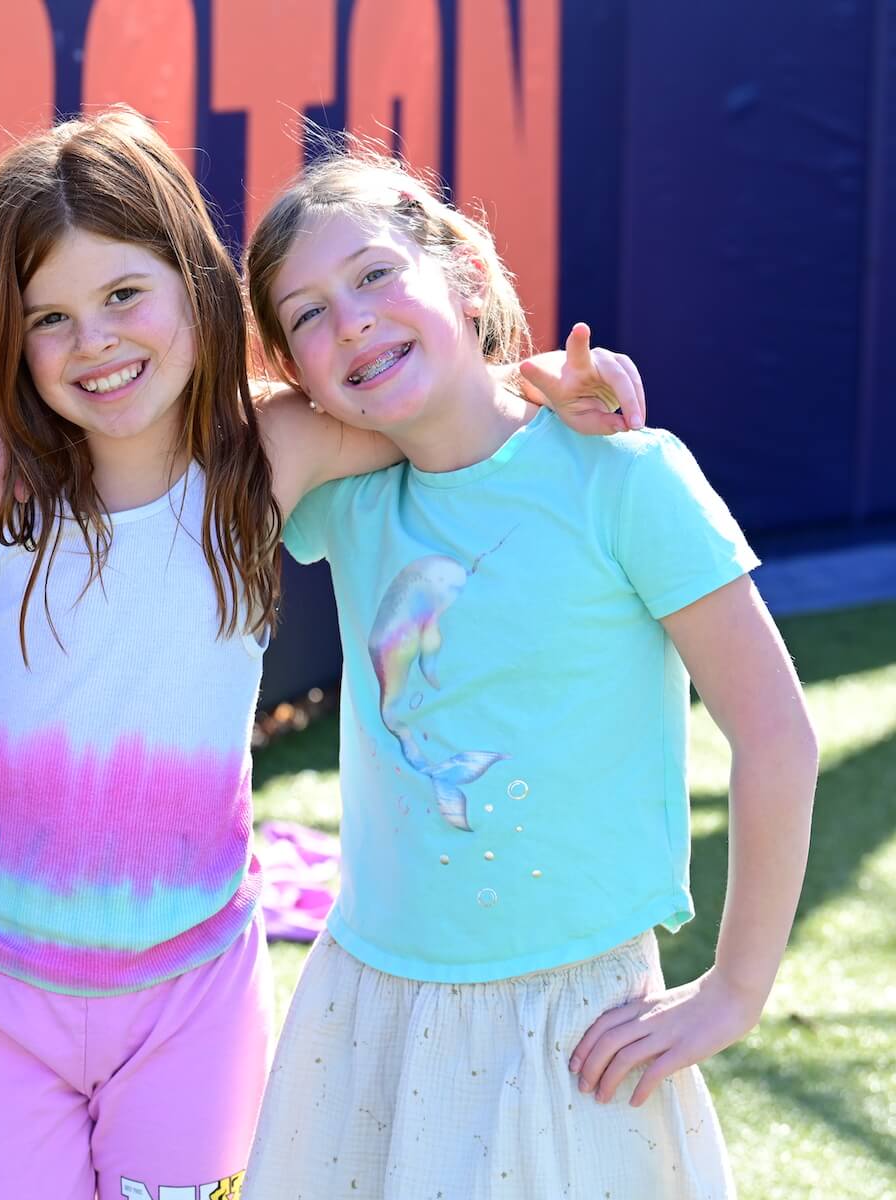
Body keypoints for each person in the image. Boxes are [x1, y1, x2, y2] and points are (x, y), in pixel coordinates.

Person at [0, 108, 645, 1200]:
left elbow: (444, 406)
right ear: (10, 337)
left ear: (196, 285)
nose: (97, 342)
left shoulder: (270, 453)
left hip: (191, 998)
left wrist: (542, 384)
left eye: (124, 296)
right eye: (52, 317)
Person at [237, 144, 817, 1198]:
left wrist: (735, 990)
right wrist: (497, 371)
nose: (352, 319)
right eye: (307, 315)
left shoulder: (626, 476)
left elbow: (779, 734)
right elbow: (217, 424)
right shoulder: (343, 495)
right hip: (370, 1006)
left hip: (578, 1024)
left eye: (374, 274)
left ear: (461, 272)